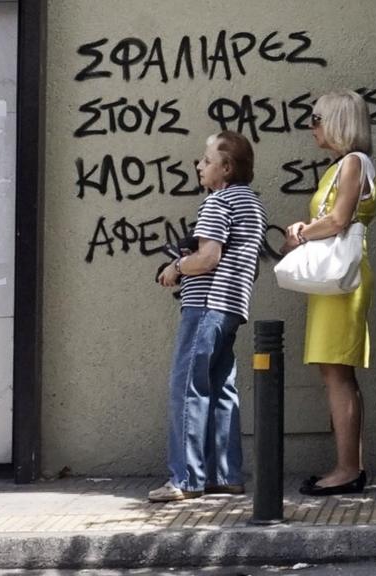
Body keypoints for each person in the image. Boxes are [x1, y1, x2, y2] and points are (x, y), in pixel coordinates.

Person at [148, 131, 267, 502]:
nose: (199, 166)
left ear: (226, 168)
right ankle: (225, 474)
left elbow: (208, 257)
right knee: (221, 389)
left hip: (205, 306)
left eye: (207, 160)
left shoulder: (216, 203)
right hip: (232, 307)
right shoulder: (252, 204)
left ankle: (185, 479)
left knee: (188, 388)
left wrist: (177, 267)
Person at [281, 90, 376, 496]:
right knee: (335, 371)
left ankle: (347, 469)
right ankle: (347, 465)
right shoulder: (343, 166)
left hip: (342, 280)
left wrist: (302, 231)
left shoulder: (353, 162)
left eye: (317, 119)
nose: (312, 126)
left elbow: (338, 220)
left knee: (337, 372)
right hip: (336, 279)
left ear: (338, 121)